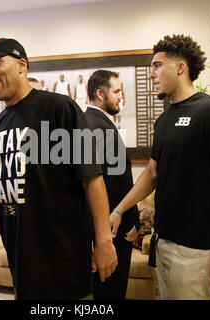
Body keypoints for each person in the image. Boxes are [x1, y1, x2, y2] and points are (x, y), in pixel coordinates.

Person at [0, 37, 117, 300]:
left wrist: (104, 240)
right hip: (22, 269)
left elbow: (91, 178)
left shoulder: (59, 109)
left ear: (22, 66)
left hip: (65, 266)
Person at [112, 34, 210, 299]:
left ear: (180, 68)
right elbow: (152, 173)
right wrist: (120, 208)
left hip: (196, 250)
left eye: (157, 65)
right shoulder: (164, 120)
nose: (152, 73)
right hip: (163, 241)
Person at [84, 70, 140, 300]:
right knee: (110, 293)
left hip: (93, 230)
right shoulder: (103, 129)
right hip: (113, 231)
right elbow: (117, 185)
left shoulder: (83, 123)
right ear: (100, 93)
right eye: (117, 91)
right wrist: (131, 224)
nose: (121, 97)